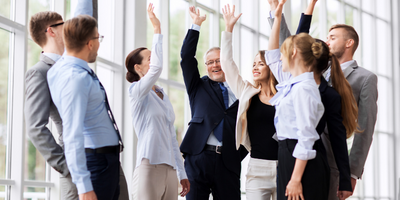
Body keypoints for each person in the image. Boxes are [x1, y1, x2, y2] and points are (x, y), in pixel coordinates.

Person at [269, 0, 378, 198]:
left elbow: (364, 128)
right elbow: (296, 43)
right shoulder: (309, 74)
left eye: (332, 37)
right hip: (293, 155)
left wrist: (350, 173)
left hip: (327, 158)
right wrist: (283, 13)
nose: (327, 41)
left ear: (349, 43)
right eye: (326, 37)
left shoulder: (363, 79)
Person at [25, 1, 128, 200]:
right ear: (51, 31)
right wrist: (68, 167)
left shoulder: (73, 62)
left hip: (108, 159)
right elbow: (35, 127)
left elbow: (85, 17)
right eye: (64, 24)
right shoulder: (41, 72)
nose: (71, 26)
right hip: (81, 163)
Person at [47, 14, 123, 200]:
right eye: (99, 38)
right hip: (97, 164)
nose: (99, 43)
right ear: (89, 43)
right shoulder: (75, 78)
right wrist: (83, 187)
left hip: (105, 161)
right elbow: (72, 134)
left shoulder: (65, 66)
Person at [179, 6, 248, 200]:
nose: (215, 65)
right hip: (198, 158)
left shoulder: (242, 89)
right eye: (210, 62)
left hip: (228, 162)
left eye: (219, 60)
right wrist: (196, 25)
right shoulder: (197, 86)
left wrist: (236, 154)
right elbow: (186, 58)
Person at [267, 0, 330, 199]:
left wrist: (295, 179)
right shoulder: (291, 81)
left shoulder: (305, 89)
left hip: (300, 161)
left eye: (284, 54)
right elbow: (271, 56)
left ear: (293, 53)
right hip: (287, 155)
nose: (280, 59)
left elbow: (306, 136)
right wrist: (276, 18)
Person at [126, 4, 190, 200]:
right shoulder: (137, 92)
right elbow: (157, 69)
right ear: (138, 68)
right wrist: (156, 29)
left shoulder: (162, 94)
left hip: (170, 169)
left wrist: (182, 173)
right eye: (150, 59)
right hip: (149, 166)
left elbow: (171, 137)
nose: (154, 62)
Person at [220, 4, 278, 200]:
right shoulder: (247, 91)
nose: (255, 67)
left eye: (261, 63)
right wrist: (228, 30)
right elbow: (227, 65)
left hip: (285, 166)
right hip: (257, 168)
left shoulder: (286, 94)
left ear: (272, 67)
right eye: (253, 64)